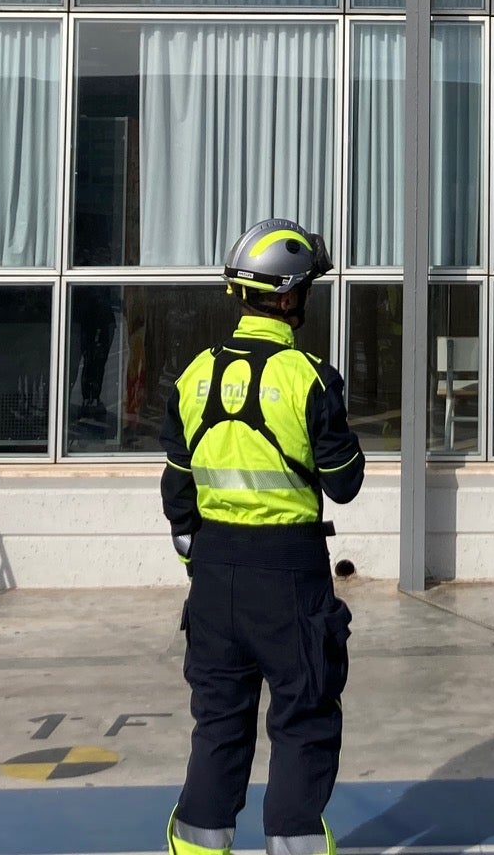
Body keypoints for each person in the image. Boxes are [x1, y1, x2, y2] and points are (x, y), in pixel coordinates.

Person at [162, 218, 365, 855]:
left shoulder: (194, 375)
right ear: (289, 297)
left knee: (218, 724)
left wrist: (197, 549)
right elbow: (343, 483)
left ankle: (198, 846)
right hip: (289, 577)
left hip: (214, 577)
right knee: (303, 718)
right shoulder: (311, 377)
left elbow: (177, 489)